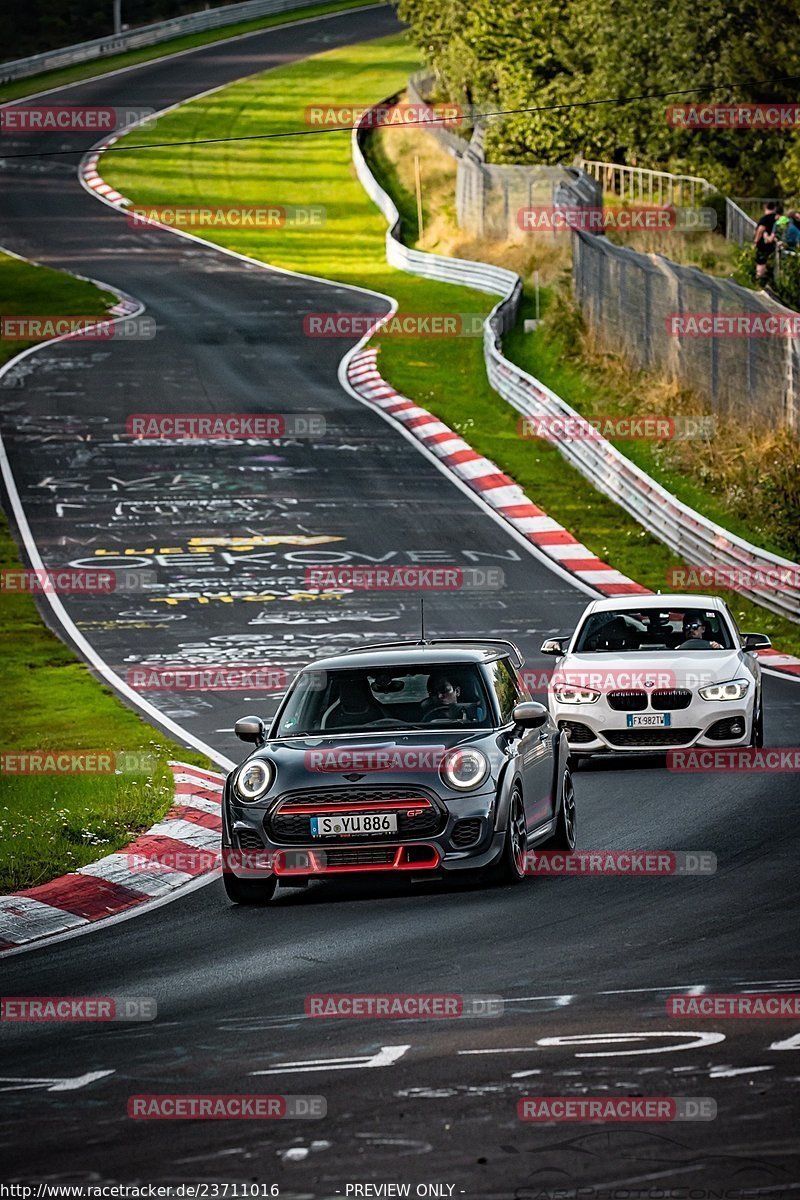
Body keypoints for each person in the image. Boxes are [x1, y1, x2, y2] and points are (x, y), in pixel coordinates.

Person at [754, 201, 778, 281]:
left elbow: (761, 229)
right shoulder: (776, 218)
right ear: (774, 208)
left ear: (765, 208)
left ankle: (759, 278)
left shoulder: (765, 218)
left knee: (761, 261)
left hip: (763, 244)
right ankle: (769, 279)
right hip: (773, 244)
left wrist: (756, 241)